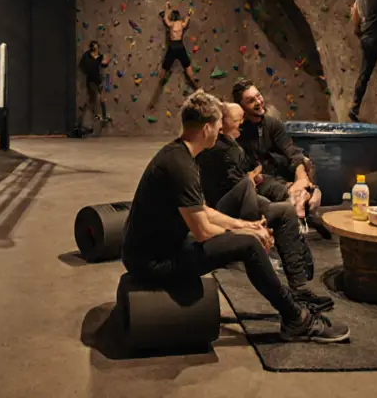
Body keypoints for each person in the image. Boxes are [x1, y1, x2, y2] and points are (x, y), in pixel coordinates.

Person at [121, 91, 349, 343]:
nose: (220, 130)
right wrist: (249, 233)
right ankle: (296, 320)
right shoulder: (180, 166)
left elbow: (202, 210)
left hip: (161, 249)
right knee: (248, 246)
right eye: (218, 124)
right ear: (207, 127)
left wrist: (244, 224)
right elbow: (203, 232)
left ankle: (295, 302)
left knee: (248, 236)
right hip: (153, 263)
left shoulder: (179, 154)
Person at [196, 102, 332, 312]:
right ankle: (265, 226)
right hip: (222, 211)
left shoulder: (234, 144)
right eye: (238, 119)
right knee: (257, 194)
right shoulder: (220, 148)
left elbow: (253, 174)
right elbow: (241, 186)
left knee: (284, 210)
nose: (243, 123)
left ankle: (300, 289)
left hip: (241, 200)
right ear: (221, 124)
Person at [232, 78, 331, 239]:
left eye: (258, 96)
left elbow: (292, 152)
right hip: (259, 179)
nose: (258, 102)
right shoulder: (238, 131)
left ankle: (302, 205)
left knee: (305, 165)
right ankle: (304, 210)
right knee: (277, 185)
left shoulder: (271, 124)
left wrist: (301, 179)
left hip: (279, 173)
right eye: (251, 100)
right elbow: (250, 169)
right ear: (241, 106)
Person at [147, 2, 198, 107]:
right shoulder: (181, 24)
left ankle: (161, 81)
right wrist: (189, 14)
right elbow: (186, 21)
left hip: (173, 47)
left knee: (165, 67)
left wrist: (166, 9)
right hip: (180, 46)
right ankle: (195, 85)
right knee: (187, 67)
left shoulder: (171, 24)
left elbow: (165, 19)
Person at [78, 41, 110, 131]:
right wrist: (86, 72)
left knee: (101, 99)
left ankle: (104, 118)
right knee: (95, 99)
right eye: (95, 47)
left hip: (98, 80)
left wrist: (105, 61)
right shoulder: (87, 55)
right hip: (91, 80)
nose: (96, 48)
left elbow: (103, 64)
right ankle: (88, 119)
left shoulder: (99, 57)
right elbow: (81, 65)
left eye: (97, 47)